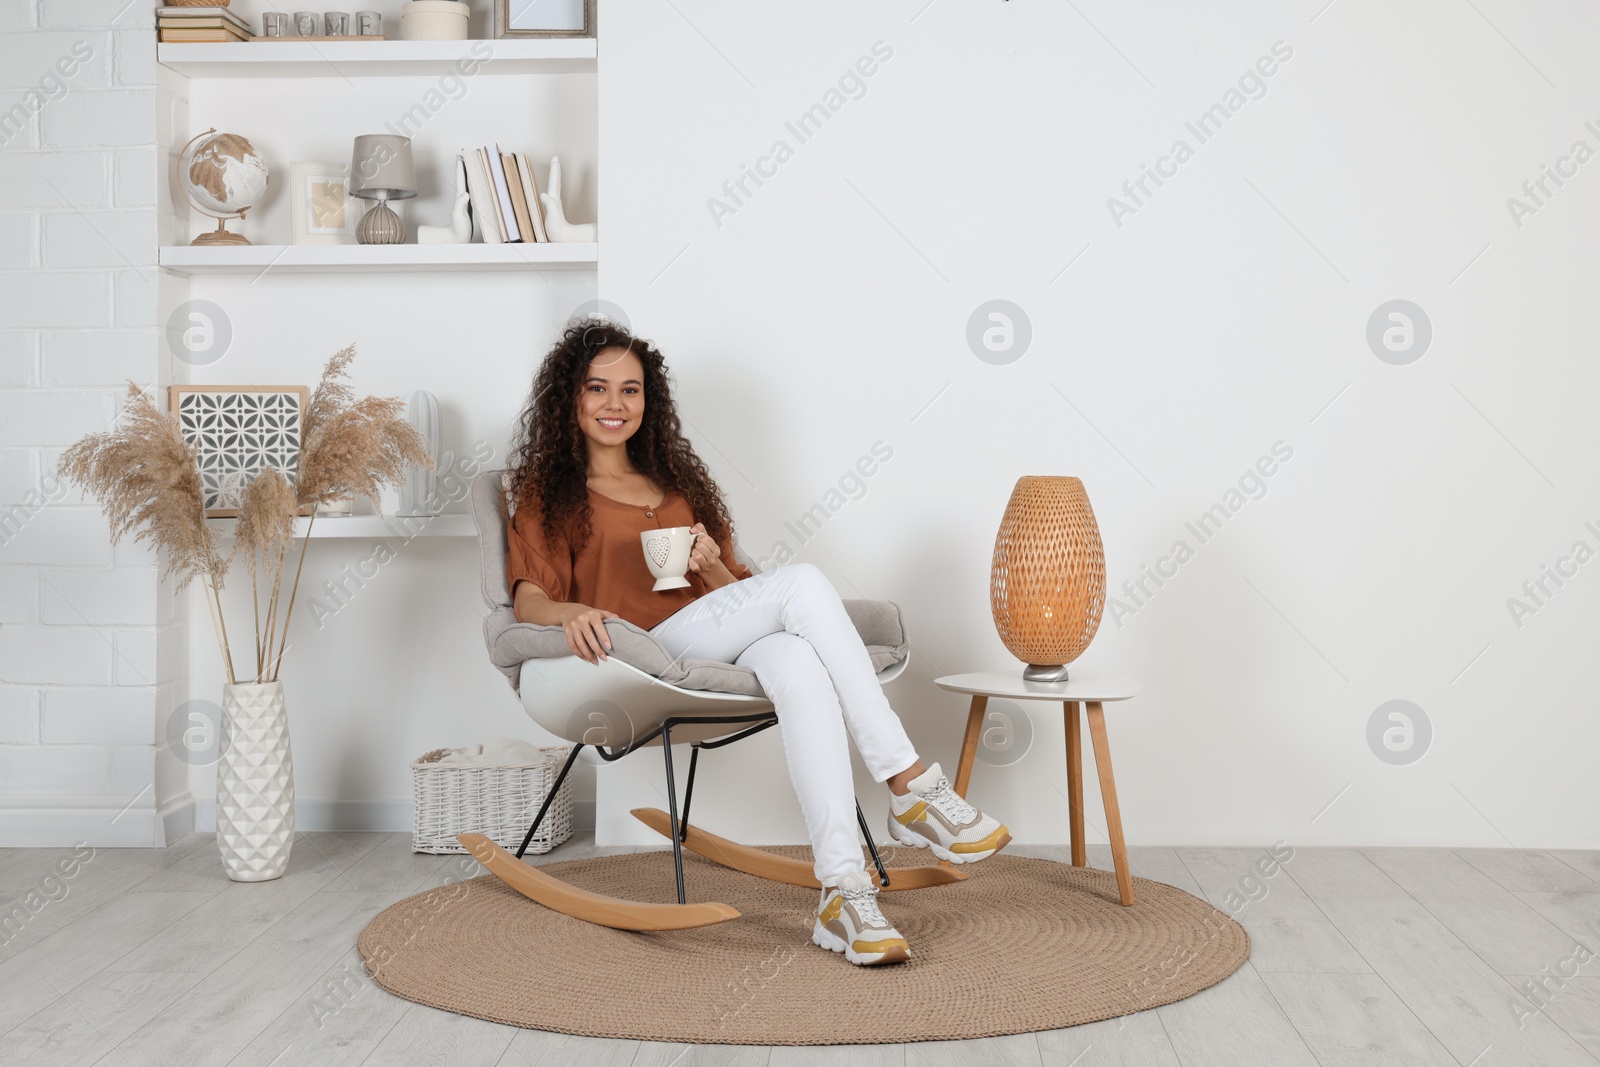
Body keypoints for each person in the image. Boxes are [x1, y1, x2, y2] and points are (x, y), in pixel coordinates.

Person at [503, 319, 1011, 966]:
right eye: (597, 388)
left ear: (647, 401)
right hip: (640, 654)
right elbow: (528, 600)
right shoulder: (548, 495)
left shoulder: (679, 488)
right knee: (800, 583)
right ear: (569, 398)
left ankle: (844, 892)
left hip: (709, 634)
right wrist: (573, 611)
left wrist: (712, 563)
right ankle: (908, 783)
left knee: (798, 658)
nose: (614, 404)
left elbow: (735, 592)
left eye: (630, 390)